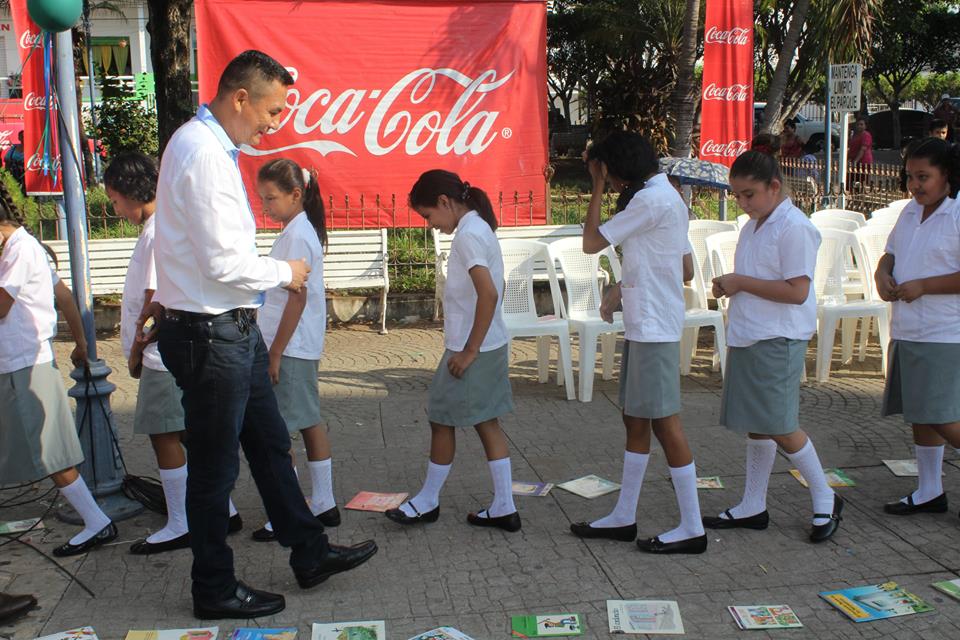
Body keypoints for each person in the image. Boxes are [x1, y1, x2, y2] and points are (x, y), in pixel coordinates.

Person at [144, 50, 376, 620]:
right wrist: (285, 273)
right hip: (209, 331)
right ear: (240, 97)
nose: (276, 123)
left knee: (270, 445)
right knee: (215, 469)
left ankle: (310, 551)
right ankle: (214, 588)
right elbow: (225, 262)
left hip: (229, 328)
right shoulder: (201, 152)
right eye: (272, 110)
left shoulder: (211, 147)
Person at [571, 131, 706, 555]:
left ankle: (692, 526)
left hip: (653, 327)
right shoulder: (666, 195)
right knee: (635, 420)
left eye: (606, 173)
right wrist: (624, 286)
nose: (607, 183)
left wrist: (594, 184)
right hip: (650, 322)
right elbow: (682, 267)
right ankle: (624, 515)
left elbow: (591, 243)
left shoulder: (650, 200)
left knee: (665, 425)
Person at [104, 152, 243, 555]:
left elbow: (154, 301)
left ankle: (181, 522)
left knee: (164, 434)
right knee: (187, 434)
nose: (114, 209)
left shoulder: (155, 232)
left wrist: (134, 350)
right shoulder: (161, 226)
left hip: (159, 355)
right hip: (173, 351)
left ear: (131, 193)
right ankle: (223, 509)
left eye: (114, 200)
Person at [705, 150, 842, 543]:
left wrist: (741, 282)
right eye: (737, 196)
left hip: (778, 336)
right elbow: (758, 277)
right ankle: (753, 503)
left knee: (780, 424)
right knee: (757, 423)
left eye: (749, 194)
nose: (743, 203)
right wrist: (732, 283)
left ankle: (825, 496)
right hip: (751, 332)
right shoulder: (754, 225)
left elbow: (798, 291)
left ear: (774, 187)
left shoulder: (794, 227)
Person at [385, 170, 519, 532]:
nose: (431, 225)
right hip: (485, 343)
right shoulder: (478, 228)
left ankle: (428, 501)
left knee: (442, 418)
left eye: (429, 216)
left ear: (445, 202)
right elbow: (496, 287)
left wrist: (470, 350)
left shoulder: (468, 236)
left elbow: (489, 293)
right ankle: (503, 505)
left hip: (471, 348)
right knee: (485, 421)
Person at [0, 184, 118, 557]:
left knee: (52, 451)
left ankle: (96, 520)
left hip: (24, 362)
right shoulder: (23, 247)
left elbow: (2, 305)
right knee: (46, 448)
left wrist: (83, 344)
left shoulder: (19, 250)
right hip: (23, 361)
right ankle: (95, 519)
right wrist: (81, 344)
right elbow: (64, 295)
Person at [251, 158, 339, 541]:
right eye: (262, 199)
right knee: (305, 420)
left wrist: (274, 353)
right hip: (293, 344)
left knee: (281, 430)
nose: (265, 206)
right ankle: (322, 501)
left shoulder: (298, 235)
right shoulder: (297, 230)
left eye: (270, 199)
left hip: (288, 345)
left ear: (296, 195)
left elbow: (296, 300)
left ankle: (291, 510)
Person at [876, 137, 960, 518]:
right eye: (910, 176)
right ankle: (929, 491)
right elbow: (891, 252)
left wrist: (926, 285)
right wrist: (883, 272)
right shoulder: (910, 211)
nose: (915, 185)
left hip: (944, 332)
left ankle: (932, 490)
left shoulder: (957, 212)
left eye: (924, 176)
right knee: (920, 413)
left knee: (943, 415)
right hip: (908, 328)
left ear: (947, 175)